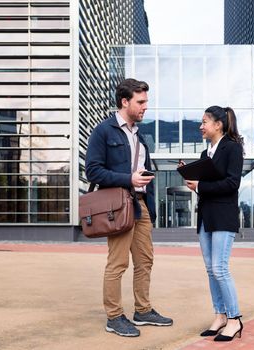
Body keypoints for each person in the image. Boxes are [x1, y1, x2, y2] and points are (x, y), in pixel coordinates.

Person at [85, 78, 173, 337]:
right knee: (118, 263)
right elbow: (93, 170)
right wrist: (128, 178)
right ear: (125, 102)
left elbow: (141, 173)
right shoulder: (104, 131)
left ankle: (143, 311)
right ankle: (114, 317)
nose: (146, 107)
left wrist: (149, 205)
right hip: (118, 204)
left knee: (145, 260)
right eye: (141, 102)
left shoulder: (139, 136)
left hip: (140, 204)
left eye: (146, 101)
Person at [182, 105, 244, 342]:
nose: (201, 126)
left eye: (204, 122)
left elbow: (232, 184)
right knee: (210, 269)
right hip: (206, 217)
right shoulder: (204, 154)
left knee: (220, 268)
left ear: (218, 124)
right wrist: (194, 183)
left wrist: (200, 186)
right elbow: (207, 189)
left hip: (223, 217)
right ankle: (219, 315)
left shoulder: (232, 148)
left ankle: (234, 319)